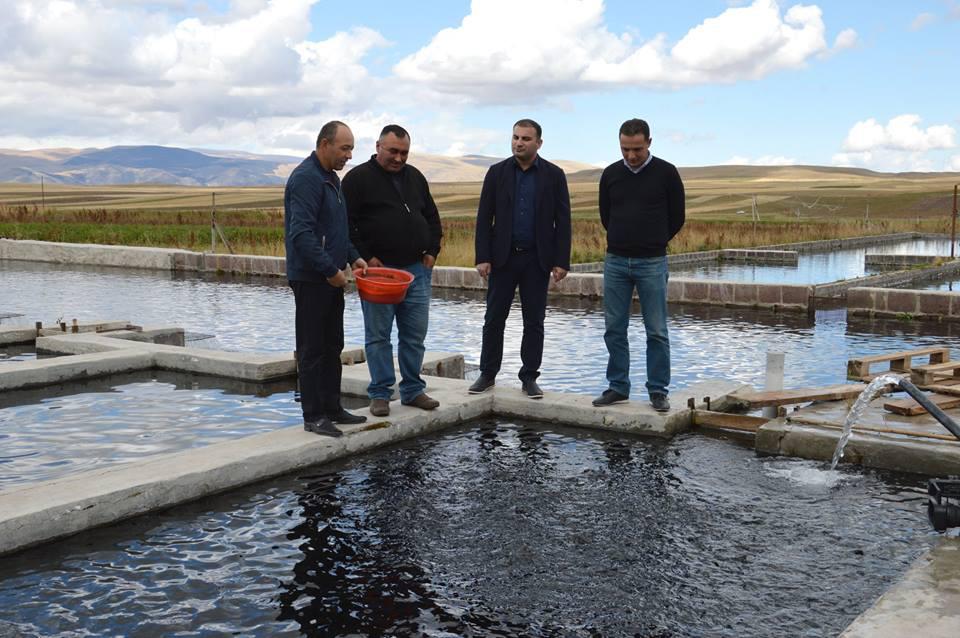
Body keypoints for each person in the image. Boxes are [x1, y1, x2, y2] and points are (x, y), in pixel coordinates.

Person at [342, 124, 443, 417]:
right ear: (377, 147)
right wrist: (364, 257)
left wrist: (432, 251)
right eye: (393, 151)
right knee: (378, 336)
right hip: (379, 274)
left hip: (416, 270)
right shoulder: (357, 179)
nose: (399, 158)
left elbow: (431, 215)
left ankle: (412, 390)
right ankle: (381, 394)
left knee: (414, 335)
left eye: (404, 153)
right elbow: (347, 224)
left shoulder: (415, 177)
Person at [469, 119, 572, 399]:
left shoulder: (554, 175)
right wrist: (483, 256)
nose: (519, 142)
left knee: (534, 321)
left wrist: (561, 260)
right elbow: (483, 217)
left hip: (536, 260)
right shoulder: (497, 173)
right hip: (503, 259)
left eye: (526, 138)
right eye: (515, 137)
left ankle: (529, 377)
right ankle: (487, 374)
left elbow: (563, 221)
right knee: (494, 319)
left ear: (538, 143)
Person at [592, 118, 685, 412]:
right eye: (625, 149)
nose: (631, 155)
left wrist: (653, 240)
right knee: (613, 328)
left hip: (652, 262)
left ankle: (658, 390)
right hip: (616, 261)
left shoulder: (667, 173)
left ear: (649, 143)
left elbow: (677, 216)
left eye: (637, 149)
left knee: (656, 330)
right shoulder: (610, 174)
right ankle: (618, 387)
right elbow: (606, 215)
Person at [284, 121, 369, 437]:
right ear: (324, 144)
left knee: (333, 344)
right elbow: (302, 235)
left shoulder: (331, 179)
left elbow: (336, 231)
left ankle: (332, 407)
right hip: (311, 278)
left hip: (331, 277)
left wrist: (353, 256)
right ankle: (314, 415)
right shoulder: (306, 179)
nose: (349, 155)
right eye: (344, 148)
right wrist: (330, 271)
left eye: (351, 149)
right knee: (312, 347)